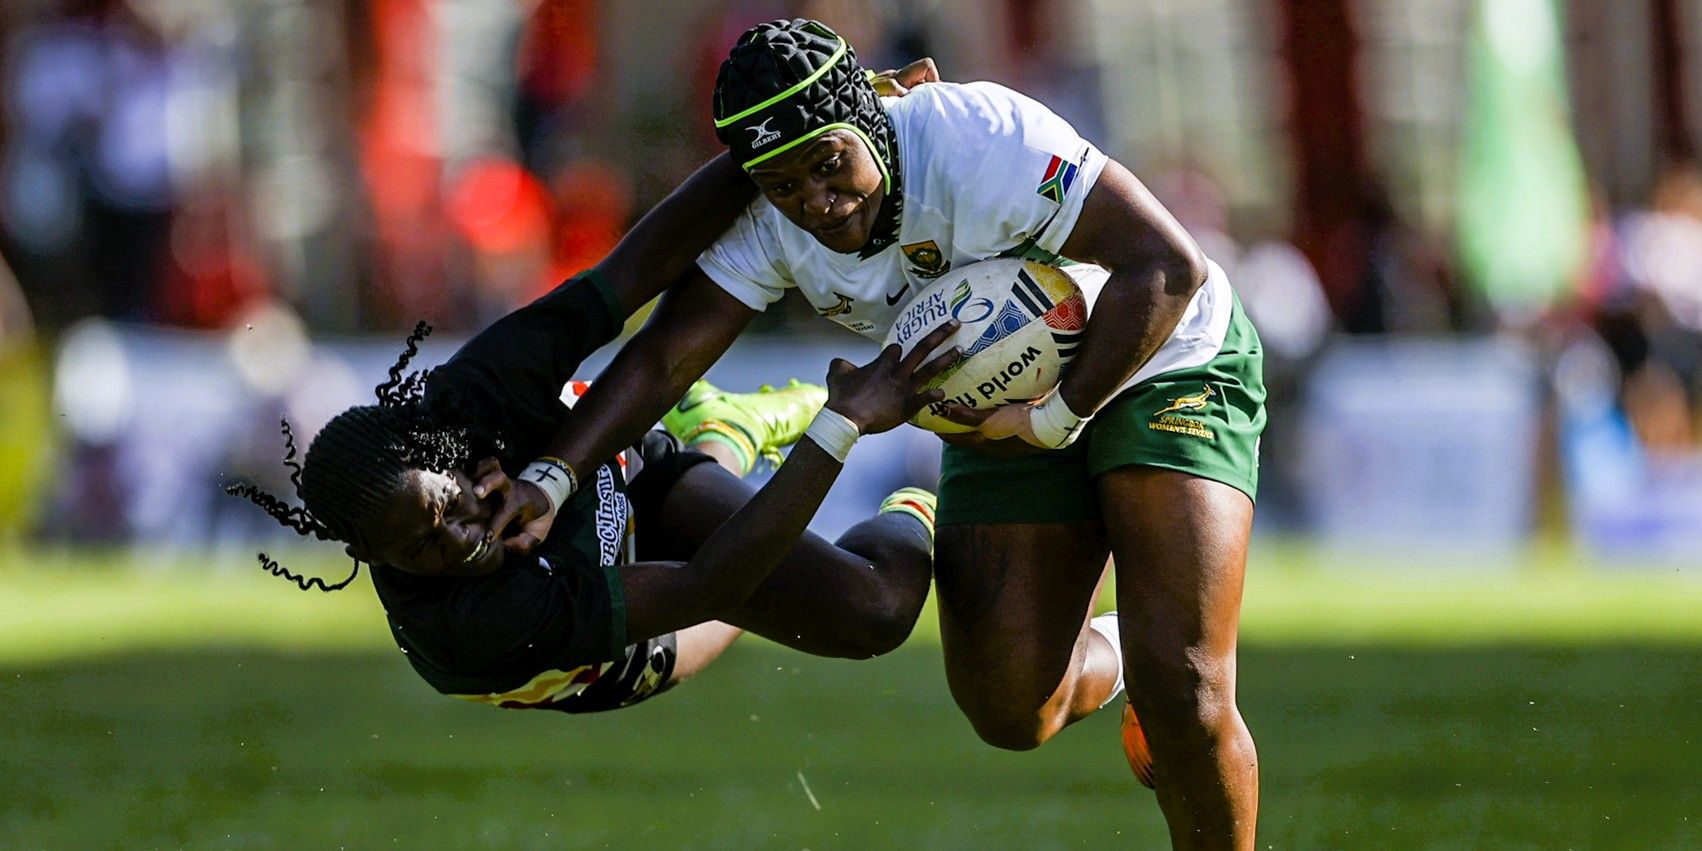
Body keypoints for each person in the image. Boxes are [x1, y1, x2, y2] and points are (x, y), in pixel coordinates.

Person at [500, 21, 1265, 849]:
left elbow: (1167, 265)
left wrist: (1054, 416)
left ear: (871, 118)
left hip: (1163, 354)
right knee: (1012, 708)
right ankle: (1127, 660)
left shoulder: (974, 138)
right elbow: (662, 358)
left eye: (829, 164)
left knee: (1188, 689)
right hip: (996, 411)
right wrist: (551, 478)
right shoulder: (770, 220)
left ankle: (1159, 677)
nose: (816, 201)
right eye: (783, 185)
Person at [227, 145, 961, 714]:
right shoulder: (470, 620)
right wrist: (841, 423)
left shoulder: (477, 391)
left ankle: (715, 440)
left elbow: (632, 271)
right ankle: (795, 456)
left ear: (446, 456)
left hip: (617, 476)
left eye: (446, 507)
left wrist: (768, 146)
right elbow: (710, 584)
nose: (458, 538)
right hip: (598, 656)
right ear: (370, 557)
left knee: (871, 605)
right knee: (853, 614)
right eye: (420, 548)